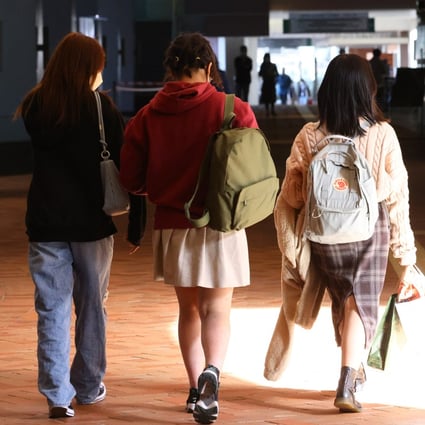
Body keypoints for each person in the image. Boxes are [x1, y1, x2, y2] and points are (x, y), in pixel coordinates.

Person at [120, 32, 258, 424]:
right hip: (222, 223)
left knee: (189, 311)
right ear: (210, 68)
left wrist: (160, 186)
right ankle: (214, 373)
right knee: (218, 308)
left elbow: (132, 178)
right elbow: (253, 167)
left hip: (173, 224)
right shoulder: (233, 108)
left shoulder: (148, 114)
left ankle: (196, 387)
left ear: (170, 68)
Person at [272, 54, 416, 413]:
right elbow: (398, 198)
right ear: (369, 90)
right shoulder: (383, 134)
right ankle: (347, 381)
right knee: (357, 302)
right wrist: (406, 259)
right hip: (369, 233)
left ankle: (355, 369)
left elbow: (290, 195)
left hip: (324, 234)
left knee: (344, 299)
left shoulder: (310, 134)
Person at [14, 32, 144, 419]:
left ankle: (57, 395)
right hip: (91, 223)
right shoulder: (100, 108)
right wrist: (136, 224)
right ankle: (87, 386)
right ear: (91, 67)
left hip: (45, 222)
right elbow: (128, 167)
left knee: (51, 308)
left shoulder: (36, 105)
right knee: (91, 307)